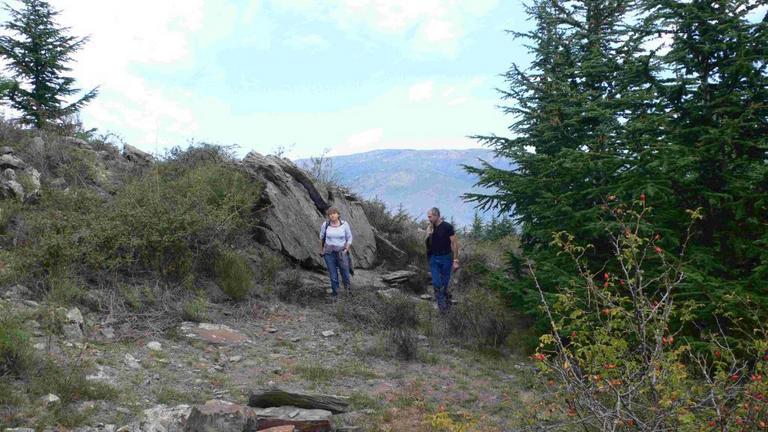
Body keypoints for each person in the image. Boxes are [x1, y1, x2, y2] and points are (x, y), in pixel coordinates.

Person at [426, 207, 459, 312]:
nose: (429, 219)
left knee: (444, 284)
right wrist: (429, 234)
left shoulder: (447, 227)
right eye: (428, 217)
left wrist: (455, 260)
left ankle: (446, 300)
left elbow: (454, 243)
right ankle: (442, 308)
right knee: (436, 283)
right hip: (434, 258)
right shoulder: (430, 228)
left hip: (446, 258)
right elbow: (427, 244)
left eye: (430, 217)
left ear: (436, 215)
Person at [319, 207, 353, 297]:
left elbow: (349, 237)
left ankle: (348, 293)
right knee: (333, 275)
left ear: (338, 214)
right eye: (330, 214)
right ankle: (336, 295)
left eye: (334, 213)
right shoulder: (325, 225)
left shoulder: (344, 224)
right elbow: (322, 238)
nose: (332, 215)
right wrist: (322, 250)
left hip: (342, 252)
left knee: (345, 274)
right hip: (329, 253)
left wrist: (346, 249)